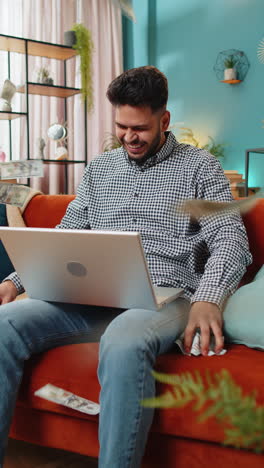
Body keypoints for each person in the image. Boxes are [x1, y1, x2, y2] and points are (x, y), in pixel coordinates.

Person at [0, 66, 252, 468]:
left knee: (122, 341)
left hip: (164, 294)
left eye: (141, 128)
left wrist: (209, 299)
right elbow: (69, 232)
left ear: (164, 120)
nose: (129, 137)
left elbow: (231, 240)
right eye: (121, 126)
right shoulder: (99, 170)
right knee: (4, 323)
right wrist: (16, 279)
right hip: (91, 293)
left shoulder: (200, 167)